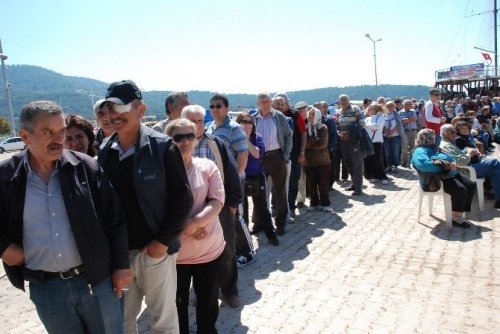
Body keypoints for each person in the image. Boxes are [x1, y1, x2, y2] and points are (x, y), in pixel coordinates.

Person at [0, 100, 131, 333]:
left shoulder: (86, 167)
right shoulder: (6, 176)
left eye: (61, 131)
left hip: (96, 282)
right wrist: (4, 247)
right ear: (25, 136)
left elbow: (116, 220)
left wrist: (121, 266)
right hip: (47, 289)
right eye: (48, 132)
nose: (59, 138)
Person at [98, 80, 194, 333]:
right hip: (120, 257)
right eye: (108, 109)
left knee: (163, 323)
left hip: (155, 253)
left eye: (120, 108)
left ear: (140, 110)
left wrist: (161, 242)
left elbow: (182, 199)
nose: (113, 115)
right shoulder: (105, 151)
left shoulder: (163, 147)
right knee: (124, 323)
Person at [165, 119, 225, 334]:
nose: (184, 141)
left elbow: (217, 200)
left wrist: (196, 223)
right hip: (175, 255)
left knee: (208, 302)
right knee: (177, 303)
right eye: (178, 137)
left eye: (189, 136)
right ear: (169, 142)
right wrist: (188, 228)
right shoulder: (162, 173)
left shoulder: (207, 166)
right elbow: (158, 210)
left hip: (208, 250)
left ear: (196, 137)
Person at [181, 105, 243, 308]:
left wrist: (233, 205)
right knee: (195, 254)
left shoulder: (217, 143)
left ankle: (229, 290)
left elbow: (232, 174)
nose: (197, 125)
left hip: (219, 208)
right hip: (186, 213)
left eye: (200, 120)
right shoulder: (174, 146)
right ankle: (203, 292)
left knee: (227, 251)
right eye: (192, 121)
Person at [411, 128, 475, 228]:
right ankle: (455, 217)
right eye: (430, 136)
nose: (433, 137)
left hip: (448, 174)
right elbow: (425, 165)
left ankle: (460, 210)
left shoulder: (433, 147)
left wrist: (451, 163)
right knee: (460, 190)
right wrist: (447, 165)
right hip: (436, 178)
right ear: (424, 138)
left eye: (433, 136)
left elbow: (449, 157)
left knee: (470, 185)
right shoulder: (419, 150)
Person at [252, 93, 292, 235]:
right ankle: (259, 223)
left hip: (276, 156)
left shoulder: (279, 117)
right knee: (258, 191)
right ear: (258, 103)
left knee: (280, 191)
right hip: (260, 158)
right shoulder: (253, 118)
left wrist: (285, 156)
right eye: (263, 101)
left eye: (268, 101)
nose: (266, 103)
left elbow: (288, 136)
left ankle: (281, 224)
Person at [236, 112, 279, 246]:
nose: (247, 124)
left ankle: (271, 236)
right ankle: (245, 242)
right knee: (242, 212)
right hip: (240, 179)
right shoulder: (234, 139)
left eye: (250, 122)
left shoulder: (257, 137)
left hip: (257, 178)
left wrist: (245, 139)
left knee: (262, 208)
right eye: (244, 121)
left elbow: (257, 154)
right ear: (238, 123)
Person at [439, 124, 500, 209]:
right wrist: (469, 153)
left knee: (495, 170)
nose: (455, 134)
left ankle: (498, 200)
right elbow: (460, 162)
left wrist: (467, 150)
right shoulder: (446, 146)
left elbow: (459, 155)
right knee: (495, 162)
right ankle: (495, 196)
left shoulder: (449, 142)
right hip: (465, 171)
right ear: (444, 134)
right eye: (452, 132)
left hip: (467, 167)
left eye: (455, 131)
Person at [336, 94, 365, 195]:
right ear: (339, 102)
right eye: (341, 100)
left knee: (357, 164)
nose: (343, 101)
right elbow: (337, 126)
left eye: (345, 99)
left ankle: (359, 188)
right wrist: (339, 134)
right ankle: (354, 184)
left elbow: (362, 123)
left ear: (349, 100)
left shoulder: (355, 109)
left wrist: (350, 133)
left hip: (354, 141)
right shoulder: (339, 112)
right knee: (348, 164)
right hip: (343, 142)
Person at [303, 107, 331, 211]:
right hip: (308, 162)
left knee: (323, 184)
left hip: (323, 161)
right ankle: (313, 203)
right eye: (309, 114)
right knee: (311, 184)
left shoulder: (323, 127)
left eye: (313, 114)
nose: (310, 116)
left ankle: (325, 203)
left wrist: (310, 143)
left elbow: (323, 145)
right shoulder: (304, 128)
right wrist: (315, 140)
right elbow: (303, 144)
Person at [364, 103, 388, 184]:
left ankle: (383, 178)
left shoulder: (381, 117)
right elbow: (365, 128)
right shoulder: (367, 119)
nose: (368, 109)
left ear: (375, 109)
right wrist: (372, 127)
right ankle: (372, 176)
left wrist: (369, 126)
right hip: (368, 142)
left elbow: (377, 126)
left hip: (377, 142)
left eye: (370, 108)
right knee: (368, 160)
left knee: (378, 160)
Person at [383, 101, 407, 172]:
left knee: (395, 152)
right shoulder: (383, 115)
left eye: (391, 106)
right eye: (388, 106)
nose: (389, 108)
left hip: (395, 136)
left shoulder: (397, 115)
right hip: (385, 136)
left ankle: (396, 166)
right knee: (387, 152)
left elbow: (398, 125)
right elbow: (382, 125)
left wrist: (391, 132)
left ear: (394, 107)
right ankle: (389, 166)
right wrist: (386, 132)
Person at [399, 99, 418, 167]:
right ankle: (404, 161)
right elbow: (402, 121)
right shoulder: (400, 112)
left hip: (413, 131)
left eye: (408, 104)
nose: (407, 106)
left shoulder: (413, 111)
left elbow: (415, 119)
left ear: (410, 105)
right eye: (405, 104)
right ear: (403, 105)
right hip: (405, 132)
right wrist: (410, 119)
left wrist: (407, 119)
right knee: (404, 147)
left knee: (413, 147)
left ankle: (413, 161)